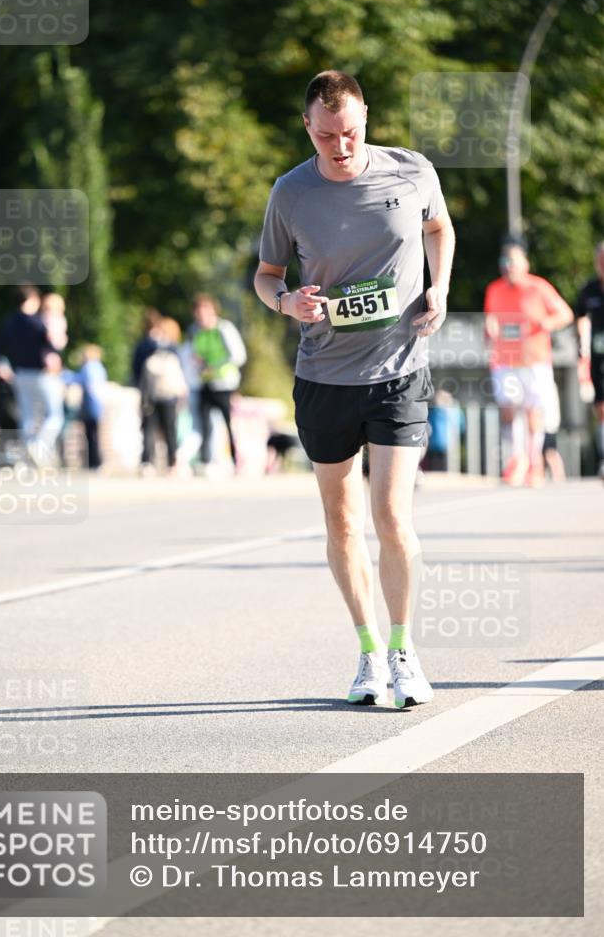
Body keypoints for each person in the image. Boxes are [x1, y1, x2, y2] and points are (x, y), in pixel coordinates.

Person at [254, 70, 455, 709]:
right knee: (341, 522)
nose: (339, 148)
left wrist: (440, 288)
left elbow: (440, 229)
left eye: (349, 133)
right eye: (324, 137)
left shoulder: (411, 171)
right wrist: (287, 303)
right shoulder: (291, 192)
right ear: (306, 128)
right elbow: (265, 274)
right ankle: (368, 654)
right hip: (324, 378)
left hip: (398, 371)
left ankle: (404, 650)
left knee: (391, 515)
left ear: (367, 116)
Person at [484, 243, 574, 487]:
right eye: (505, 262)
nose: (508, 267)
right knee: (509, 409)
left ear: (525, 264)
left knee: (533, 411)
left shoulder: (538, 287)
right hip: (505, 360)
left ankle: (535, 462)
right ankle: (517, 459)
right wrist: (490, 329)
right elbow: (491, 318)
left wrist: (546, 323)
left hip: (534, 359)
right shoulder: (494, 289)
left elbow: (565, 314)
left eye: (513, 262)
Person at [0, 285, 63, 463]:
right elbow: (52, 346)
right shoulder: (37, 322)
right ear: (32, 300)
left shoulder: (9, 322)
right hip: (41, 374)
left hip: (20, 374)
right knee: (55, 415)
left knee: (28, 416)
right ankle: (38, 447)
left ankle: (28, 455)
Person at [188, 293, 247, 473]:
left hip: (224, 384)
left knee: (228, 423)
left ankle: (235, 461)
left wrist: (213, 366)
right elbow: (194, 356)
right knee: (204, 424)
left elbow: (237, 356)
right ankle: (206, 461)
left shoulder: (224, 329)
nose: (202, 316)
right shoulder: (196, 332)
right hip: (205, 383)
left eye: (205, 311)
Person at [139, 317, 188, 476]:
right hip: (152, 395)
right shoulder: (147, 346)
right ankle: (147, 462)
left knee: (170, 430)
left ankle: (172, 462)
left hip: (168, 394)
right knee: (149, 430)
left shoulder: (173, 349)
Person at [575, 241, 604, 478]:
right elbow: (581, 316)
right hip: (598, 356)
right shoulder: (590, 289)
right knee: (601, 408)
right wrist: (583, 345)